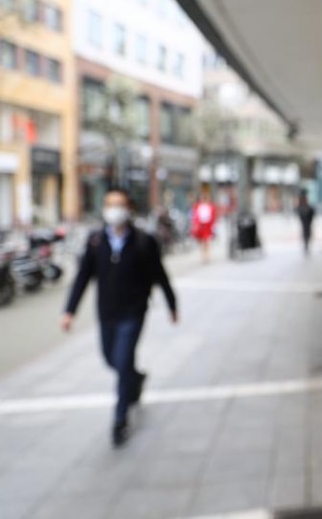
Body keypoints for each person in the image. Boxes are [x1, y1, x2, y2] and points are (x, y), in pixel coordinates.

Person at [61, 187, 178, 447]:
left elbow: (160, 275)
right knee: (110, 359)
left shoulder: (144, 242)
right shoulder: (95, 241)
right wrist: (69, 311)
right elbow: (82, 278)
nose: (114, 209)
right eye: (109, 204)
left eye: (119, 204)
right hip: (106, 313)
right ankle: (136, 379)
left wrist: (172, 304)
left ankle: (120, 418)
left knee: (123, 361)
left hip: (133, 313)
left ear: (129, 209)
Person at [191, 190, 217, 263]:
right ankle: (203, 256)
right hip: (201, 225)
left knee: (207, 241)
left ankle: (207, 256)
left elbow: (213, 216)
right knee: (202, 241)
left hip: (207, 225)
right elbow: (195, 216)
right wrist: (196, 224)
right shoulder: (198, 206)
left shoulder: (211, 206)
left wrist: (212, 224)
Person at [296, 190, 315, 254]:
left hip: (307, 221)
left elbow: (311, 212)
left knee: (307, 232)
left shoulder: (306, 205)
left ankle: (306, 245)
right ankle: (306, 246)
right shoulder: (301, 204)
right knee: (306, 232)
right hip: (305, 221)